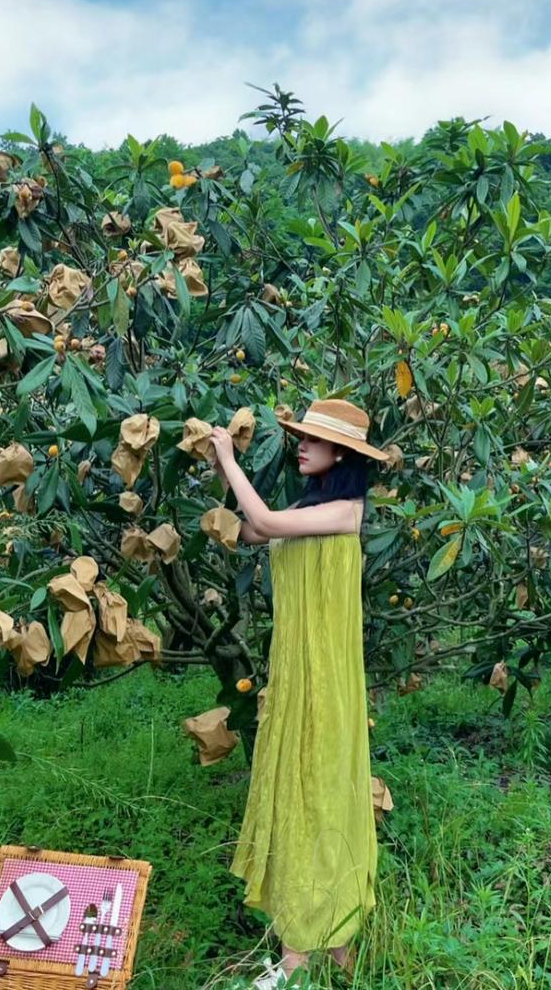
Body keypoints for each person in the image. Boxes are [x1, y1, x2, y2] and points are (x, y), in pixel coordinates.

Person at [209, 397, 389, 988]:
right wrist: (220, 468)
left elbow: (263, 519)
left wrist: (231, 460)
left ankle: (302, 959)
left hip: (326, 678)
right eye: (302, 437)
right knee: (305, 793)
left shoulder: (346, 511)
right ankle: (325, 955)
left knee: (319, 796)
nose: (301, 446)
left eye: (313, 440)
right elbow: (259, 528)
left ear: (342, 454)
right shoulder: (315, 508)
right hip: (300, 673)